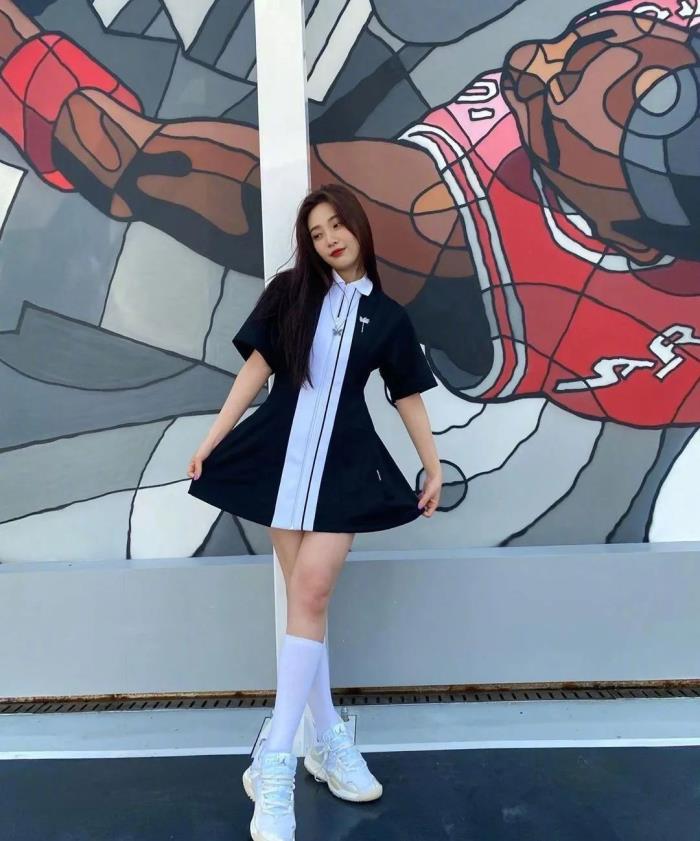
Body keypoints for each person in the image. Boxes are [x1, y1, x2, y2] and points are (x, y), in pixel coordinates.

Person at [186, 184, 442, 841]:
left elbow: (407, 395)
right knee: (308, 602)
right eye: (317, 231)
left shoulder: (388, 317)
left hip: (345, 467)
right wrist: (212, 440)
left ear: (359, 226)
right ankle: (325, 738)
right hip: (281, 459)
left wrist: (432, 465)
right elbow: (255, 371)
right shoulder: (290, 294)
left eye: (337, 224)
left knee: (313, 590)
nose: (330, 238)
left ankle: (273, 758)